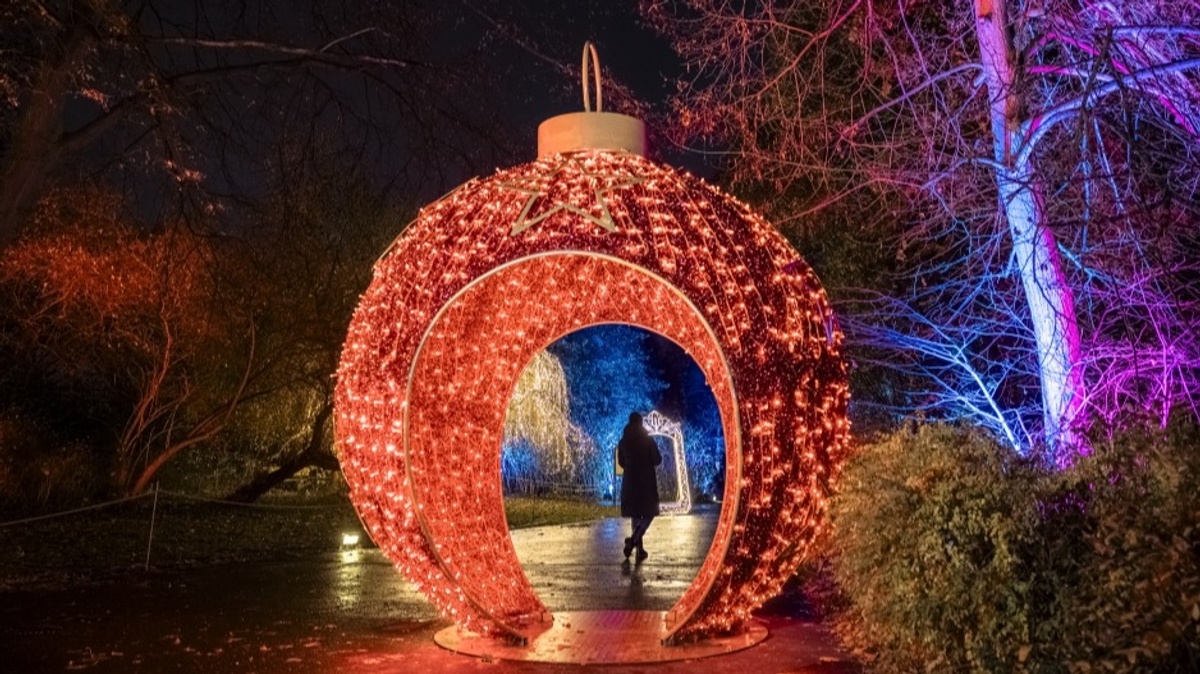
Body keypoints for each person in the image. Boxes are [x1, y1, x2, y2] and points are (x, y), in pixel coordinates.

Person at [617, 412, 661, 562]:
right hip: (646, 483)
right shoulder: (648, 441)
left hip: (630, 483)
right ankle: (635, 539)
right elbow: (657, 459)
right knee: (649, 514)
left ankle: (639, 549)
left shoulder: (623, 442)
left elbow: (621, 463)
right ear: (641, 423)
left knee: (635, 515)